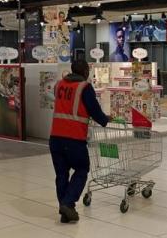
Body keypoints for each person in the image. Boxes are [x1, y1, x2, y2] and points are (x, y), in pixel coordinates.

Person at [49, 60, 110, 223]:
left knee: (61, 174)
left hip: (55, 138)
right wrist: (105, 119)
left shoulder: (59, 84)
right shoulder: (85, 87)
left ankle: (65, 210)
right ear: (84, 71)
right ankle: (68, 204)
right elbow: (95, 110)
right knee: (82, 169)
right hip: (74, 138)